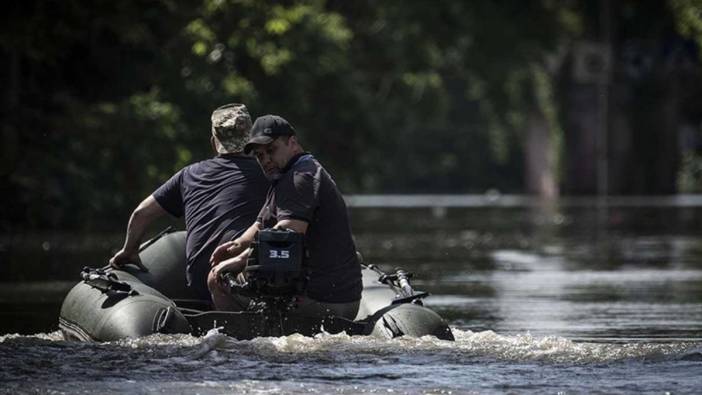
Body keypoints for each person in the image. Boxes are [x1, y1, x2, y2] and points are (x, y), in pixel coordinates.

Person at [208, 114, 362, 321]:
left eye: (271, 150)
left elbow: (283, 239)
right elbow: (259, 225)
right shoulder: (286, 174)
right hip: (333, 295)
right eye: (260, 156)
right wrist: (235, 245)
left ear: (292, 142)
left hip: (325, 301)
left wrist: (237, 261)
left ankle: (241, 340)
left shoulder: (301, 177)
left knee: (216, 279)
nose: (266, 160)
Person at [110, 104, 269, 300]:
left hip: (199, 283)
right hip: (246, 277)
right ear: (252, 141)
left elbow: (141, 214)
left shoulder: (188, 175)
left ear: (213, 142)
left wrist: (129, 251)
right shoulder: (269, 172)